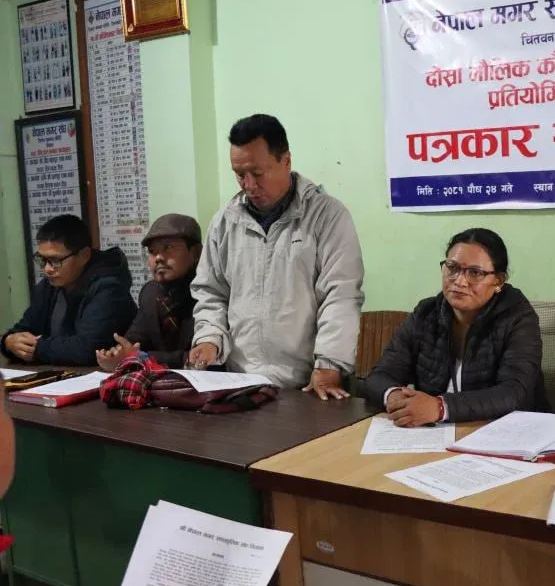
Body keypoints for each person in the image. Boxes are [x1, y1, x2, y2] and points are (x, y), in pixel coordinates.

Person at [188, 114, 364, 398]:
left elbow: (340, 295)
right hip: (241, 382)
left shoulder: (327, 216)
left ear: (286, 161)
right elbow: (211, 292)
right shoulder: (225, 222)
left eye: (257, 173)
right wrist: (210, 338)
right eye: (239, 174)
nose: (248, 184)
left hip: (307, 383)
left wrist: (329, 363)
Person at [365, 228, 548, 425]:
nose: (459, 281)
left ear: (498, 281)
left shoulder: (518, 318)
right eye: (452, 268)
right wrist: (393, 396)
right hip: (436, 432)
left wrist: (441, 407)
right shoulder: (426, 313)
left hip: (509, 432)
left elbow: (514, 393)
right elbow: (380, 376)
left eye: (475, 273)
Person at [1, 215, 136, 366]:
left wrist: (36, 348)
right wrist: (9, 341)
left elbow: (88, 349)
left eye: (55, 260)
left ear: (84, 255)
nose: (47, 269)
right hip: (57, 374)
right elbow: (25, 329)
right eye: (42, 260)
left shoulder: (109, 288)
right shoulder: (48, 286)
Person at [97, 214, 203, 370]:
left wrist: (142, 356)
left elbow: (201, 358)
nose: (158, 257)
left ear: (196, 253)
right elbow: (132, 344)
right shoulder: (150, 293)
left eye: (168, 248)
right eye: (152, 251)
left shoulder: (212, 293)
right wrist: (116, 356)